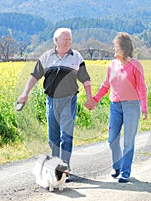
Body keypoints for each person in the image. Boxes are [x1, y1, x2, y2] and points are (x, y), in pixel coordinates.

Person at [18, 28, 94, 177]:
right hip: (51, 100)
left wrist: (90, 97)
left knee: (66, 135)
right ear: (56, 40)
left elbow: (85, 78)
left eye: (70, 39)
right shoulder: (46, 57)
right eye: (65, 39)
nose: (68, 42)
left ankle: (65, 169)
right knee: (53, 137)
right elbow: (34, 76)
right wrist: (25, 93)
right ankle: (56, 168)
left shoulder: (76, 57)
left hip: (69, 100)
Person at [86, 32, 148, 183]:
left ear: (124, 48)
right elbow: (105, 85)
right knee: (112, 139)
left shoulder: (135, 65)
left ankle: (125, 172)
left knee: (128, 141)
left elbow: (141, 87)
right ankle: (117, 166)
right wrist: (95, 100)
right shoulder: (112, 65)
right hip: (115, 106)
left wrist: (144, 107)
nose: (113, 49)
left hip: (131, 106)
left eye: (116, 46)